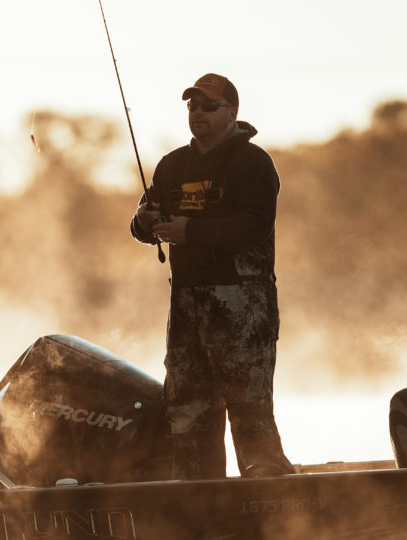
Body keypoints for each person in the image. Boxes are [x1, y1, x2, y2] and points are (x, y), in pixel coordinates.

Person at [130, 73, 295, 479]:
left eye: (208, 106)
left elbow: (254, 227)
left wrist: (192, 232)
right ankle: (200, 503)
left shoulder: (254, 163)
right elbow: (139, 225)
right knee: (187, 411)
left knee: (249, 410)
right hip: (186, 308)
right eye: (192, 105)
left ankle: (270, 502)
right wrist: (144, 221)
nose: (198, 113)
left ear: (232, 113)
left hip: (244, 305)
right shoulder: (171, 166)